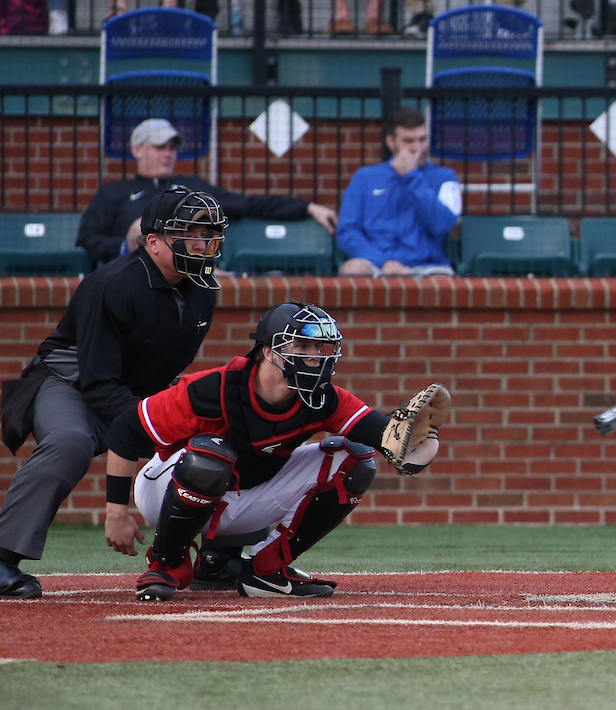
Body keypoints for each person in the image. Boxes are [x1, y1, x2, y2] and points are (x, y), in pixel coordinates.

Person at [102, 301, 450, 601]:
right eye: (304, 345)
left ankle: (267, 570)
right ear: (270, 351)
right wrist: (116, 512)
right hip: (167, 490)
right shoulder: (215, 387)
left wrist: (408, 442)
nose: (317, 357)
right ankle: (166, 563)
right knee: (213, 454)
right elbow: (124, 430)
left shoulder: (323, 397)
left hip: (245, 495)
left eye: (321, 348)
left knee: (357, 458)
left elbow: (383, 436)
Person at [0, 188, 227, 599]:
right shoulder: (111, 285)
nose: (202, 245)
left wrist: (176, 413)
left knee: (222, 435)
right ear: (153, 241)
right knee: (71, 441)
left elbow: (158, 370)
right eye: (189, 234)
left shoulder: (205, 288)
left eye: (207, 234)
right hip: (68, 384)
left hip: (132, 391)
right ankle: (2, 556)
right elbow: (100, 384)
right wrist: (117, 502)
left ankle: (221, 554)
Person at [76, 118, 339, 265]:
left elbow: (249, 205)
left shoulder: (193, 187)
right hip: (132, 272)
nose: (168, 154)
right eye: (159, 147)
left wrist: (307, 207)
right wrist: (127, 243)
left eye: (172, 147)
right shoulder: (114, 193)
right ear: (136, 150)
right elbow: (87, 241)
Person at [336, 107, 461, 277]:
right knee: (352, 270)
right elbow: (347, 231)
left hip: (428, 265)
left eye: (422, 139)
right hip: (376, 263)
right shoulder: (365, 177)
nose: (417, 148)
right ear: (391, 142)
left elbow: (442, 225)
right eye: (408, 141)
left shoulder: (445, 177)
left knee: (444, 284)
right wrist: (383, 261)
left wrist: (412, 176)